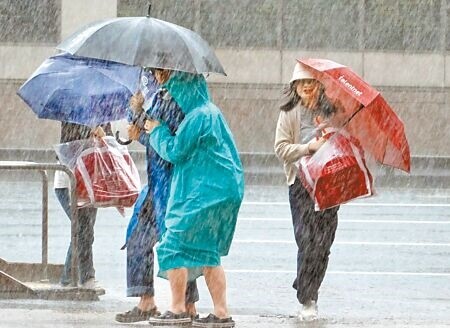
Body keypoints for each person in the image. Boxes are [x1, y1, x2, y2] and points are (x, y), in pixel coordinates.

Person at [145, 70, 244, 328]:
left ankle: (177, 309)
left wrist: (156, 132)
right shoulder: (213, 112)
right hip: (224, 192)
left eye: (176, 90)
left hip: (202, 194)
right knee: (207, 252)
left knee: (172, 245)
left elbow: (175, 151)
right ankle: (222, 313)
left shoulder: (197, 116)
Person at [115, 72, 199, 323]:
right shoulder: (158, 95)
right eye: (153, 71)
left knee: (176, 243)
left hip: (175, 184)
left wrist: (139, 123)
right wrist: (136, 113)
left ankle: (188, 304)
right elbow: (151, 131)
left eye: (161, 71)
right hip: (155, 185)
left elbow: (166, 140)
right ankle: (146, 301)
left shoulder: (178, 99)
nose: (156, 76)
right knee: (138, 237)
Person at [274, 62, 339, 321]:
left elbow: (343, 145)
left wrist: (331, 137)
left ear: (319, 86)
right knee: (306, 240)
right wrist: (308, 148)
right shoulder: (290, 113)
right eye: (301, 84)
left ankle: (310, 288)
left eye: (310, 83)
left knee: (323, 243)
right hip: (300, 184)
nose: (306, 88)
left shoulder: (333, 112)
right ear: (295, 88)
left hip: (329, 185)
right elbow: (281, 149)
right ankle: (307, 297)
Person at [54, 122, 110, 288]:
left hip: (91, 182)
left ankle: (72, 277)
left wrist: (103, 136)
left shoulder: (103, 114)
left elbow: (109, 146)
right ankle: (82, 278)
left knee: (86, 231)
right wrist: (89, 134)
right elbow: (67, 148)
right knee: (81, 229)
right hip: (69, 183)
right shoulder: (73, 113)